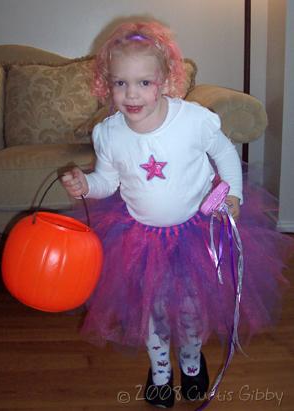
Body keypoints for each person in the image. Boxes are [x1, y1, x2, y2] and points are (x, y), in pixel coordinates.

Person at [61, 20, 291, 409]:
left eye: (144, 83)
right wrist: (87, 185)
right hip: (138, 238)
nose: (131, 94)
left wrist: (232, 193)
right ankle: (161, 372)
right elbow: (107, 180)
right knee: (151, 309)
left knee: (189, 309)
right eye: (120, 83)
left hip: (195, 234)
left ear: (165, 79)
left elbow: (224, 154)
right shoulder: (110, 133)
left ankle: (190, 361)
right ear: (107, 83)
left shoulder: (192, 121)